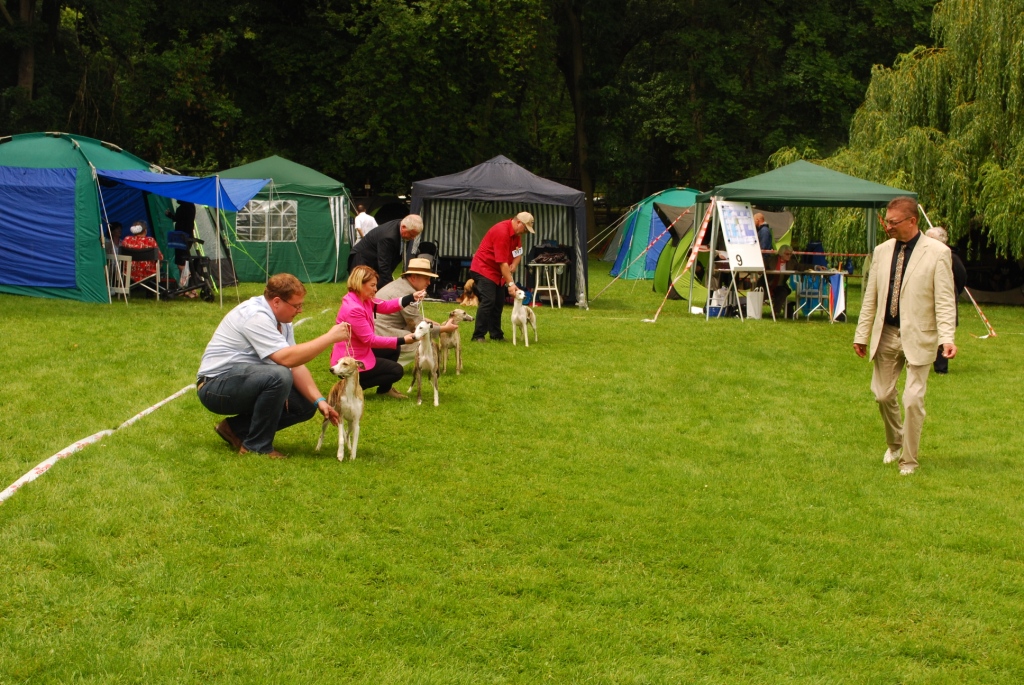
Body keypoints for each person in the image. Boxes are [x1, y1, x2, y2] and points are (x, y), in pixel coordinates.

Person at [853, 196, 957, 476]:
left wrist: (947, 337)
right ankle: (895, 443)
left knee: (913, 400)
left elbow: (946, 300)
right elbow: (870, 298)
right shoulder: (882, 251)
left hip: (920, 335)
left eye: (893, 222)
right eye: (886, 221)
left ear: (912, 221)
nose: (887, 227)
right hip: (885, 333)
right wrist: (861, 335)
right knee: (882, 395)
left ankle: (908, 460)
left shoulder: (937, 253)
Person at [196, 273, 352, 458]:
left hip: (242, 381)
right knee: (278, 375)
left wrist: (319, 401)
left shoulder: (282, 320)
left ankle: (234, 429)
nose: (300, 310)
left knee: (305, 404)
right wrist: (329, 337)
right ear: (277, 302)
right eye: (297, 305)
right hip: (214, 387)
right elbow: (286, 360)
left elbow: (295, 364)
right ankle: (256, 446)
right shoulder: (255, 316)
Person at [331, 265, 427, 399]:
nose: (375, 289)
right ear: (360, 284)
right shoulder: (354, 308)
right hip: (351, 358)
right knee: (397, 371)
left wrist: (411, 297)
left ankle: (384, 390)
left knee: (394, 349)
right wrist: (403, 339)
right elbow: (370, 340)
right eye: (372, 285)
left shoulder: (361, 298)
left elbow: (386, 306)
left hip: (360, 351)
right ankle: (350, 386)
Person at [375, 257, 459, 366]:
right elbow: (416, 326)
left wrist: (433, 323)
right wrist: (444, 329)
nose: (429, 282)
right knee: (424, 339)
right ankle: (386, 363)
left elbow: (413, 318)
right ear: (414, 277)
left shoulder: (400, 285)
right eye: (426, 278)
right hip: (381, 335)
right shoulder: (407, 293)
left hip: (377, 331)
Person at [469, 212, 534, 342]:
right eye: (525, 228)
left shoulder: (516, 235)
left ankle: (496, 334)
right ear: (518, 222)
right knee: (489, 300)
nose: (526, 231)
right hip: (484, 269)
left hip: (497, 272)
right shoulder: (502, 232)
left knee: (498, 302)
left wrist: (514, 264)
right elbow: (502, 263)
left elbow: (518, 252)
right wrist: (511, 284)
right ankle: (478, 335)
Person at [925, 226, 967, 374]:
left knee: (942, 331)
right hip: (926, 298)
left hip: (945, 297)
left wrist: (953, 292)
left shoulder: (951, 257)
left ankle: (941, 367)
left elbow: (961, 277)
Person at [348, 214, 423, 289]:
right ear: (403, 227)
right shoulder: (389, 237)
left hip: (374, 258)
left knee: (375, 289)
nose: (413, 238)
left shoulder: (403, 226)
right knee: (362, 289)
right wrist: (389, 287)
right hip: (361, 258)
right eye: (411, 234)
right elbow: (384, 264)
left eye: (415, 235)